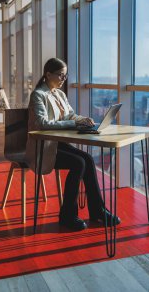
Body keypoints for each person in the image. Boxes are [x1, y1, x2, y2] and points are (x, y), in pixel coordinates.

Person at [26, 58, 121, 231]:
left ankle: (97, 210)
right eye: (61, 75)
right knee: (79, 163)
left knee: (88, 159)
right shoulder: (38, 95)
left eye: (65, 75)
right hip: (43, 147)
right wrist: (73, 124)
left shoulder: (59, 94)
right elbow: (42, 123)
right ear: (48, 75)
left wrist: (81, 119)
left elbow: (70, 115)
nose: (64, 79)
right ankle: (67, 215)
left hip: (56, 144)